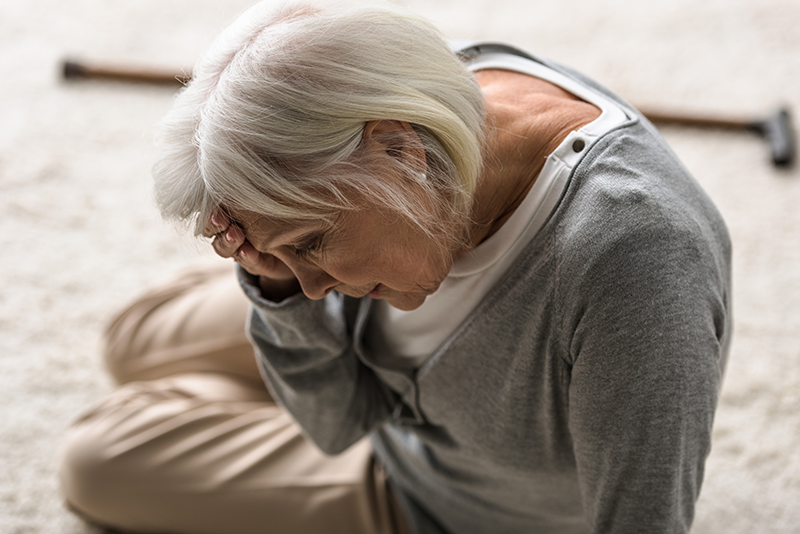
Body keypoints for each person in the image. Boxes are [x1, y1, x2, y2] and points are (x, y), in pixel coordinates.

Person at [58, 1, 732, 533]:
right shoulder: (416, 102)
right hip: (392, 353)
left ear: (401, 151)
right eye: (292, 253)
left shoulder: (635, 267)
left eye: (311, 244)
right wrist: (274, 283)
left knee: (95, 460)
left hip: (440, 496)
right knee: (132, 338)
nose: (314, 288)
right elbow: (331, 391)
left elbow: (339, 423)